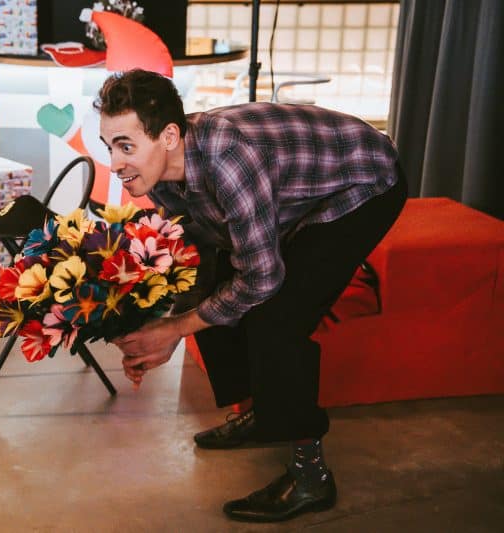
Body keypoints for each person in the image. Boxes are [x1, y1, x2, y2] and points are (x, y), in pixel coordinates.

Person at [96, 69, 407, 522]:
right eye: (110, 147)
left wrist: (175, 331)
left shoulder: (228, 159)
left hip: (362, 182)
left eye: (126, 146)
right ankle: (264, 409)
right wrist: (153, 329)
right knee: (216, 279)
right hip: (297, 187)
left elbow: (262, 279)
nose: (114, 163)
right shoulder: (161, 173)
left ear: (167, 136)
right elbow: (198, 251)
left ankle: (311, 478)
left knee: (275, 317)